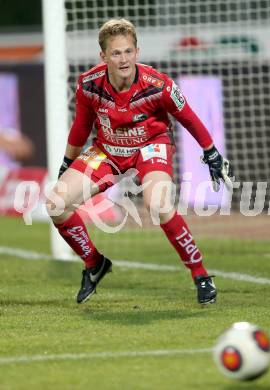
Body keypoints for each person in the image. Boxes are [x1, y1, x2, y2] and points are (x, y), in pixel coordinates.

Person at [46, 18, 233, 305]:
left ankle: (200, 274)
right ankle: (95, 264)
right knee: (56, 203)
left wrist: (211, 152)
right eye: (116, 53)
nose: (123, 59)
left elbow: (190, 118)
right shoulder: (89, 85)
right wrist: (66, 163)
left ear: (137, 51)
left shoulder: (159, 86)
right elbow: (81, 127)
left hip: (150, 146)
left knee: (157, 204)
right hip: (107, 150)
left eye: (128, 51)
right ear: (103, 56)